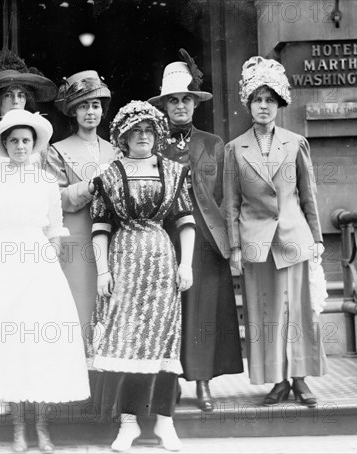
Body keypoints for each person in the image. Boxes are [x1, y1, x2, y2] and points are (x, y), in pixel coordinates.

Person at [0, 109, 90, 453]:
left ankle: (42, 426)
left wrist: (47, 255)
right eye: (13, 140)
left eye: (25, 140)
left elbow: (55, 229)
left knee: (41, 342)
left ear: (34, 145)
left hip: (40, 269)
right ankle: (19, 427)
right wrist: (0, 250)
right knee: (10, 344)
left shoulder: (45, 181)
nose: (19, 146)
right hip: (4, 269)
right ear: (4, 145)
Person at [88, 101, 195, 452]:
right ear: (123, 136)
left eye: (149, 130)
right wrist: (103, 270)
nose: (143, 137)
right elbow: (100, 226)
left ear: (157, 134)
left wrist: (186, 264)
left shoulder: (173, 171)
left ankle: (166, 421)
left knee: (163, 338)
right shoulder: (110, 174)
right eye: (136, 131)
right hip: (124, 261)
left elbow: (184, 221)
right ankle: (128, 424)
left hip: (162, 260)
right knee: (125, 340)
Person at [223, 56, 327, 407]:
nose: (263, 106)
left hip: (293, 238)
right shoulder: (234, 149)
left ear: (279, 103)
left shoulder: (295, 143)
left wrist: (317, 239)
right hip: (256, 242)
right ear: (248, 105)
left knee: (297, 310)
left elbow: (308, 195)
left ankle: (300, 380)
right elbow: (232, 203)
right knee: (265, 314)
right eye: (257, 99)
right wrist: (235, 246)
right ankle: (278, 381)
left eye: (270, 100)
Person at [148, 50, 243, 412]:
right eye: (173, 100)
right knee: (167, 312)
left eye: (186, 99)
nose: (180, 106)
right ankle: (167, 387)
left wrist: (232, 244)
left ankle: (203, 383)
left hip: (205, 239)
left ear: (194, 103)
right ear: (165, 106)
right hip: (165, 238)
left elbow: (227, 196)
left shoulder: (213, 144)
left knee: (203, 313)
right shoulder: (153, 143)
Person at [0, 51, 57, 338]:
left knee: (32, 309)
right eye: (8, 95)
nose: (16, 101)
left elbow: (46, 188)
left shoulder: (37, 142)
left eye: (20, 95)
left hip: (30, 235)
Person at [44, 70, 116, 345]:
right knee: (79, 308)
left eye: (95, 105)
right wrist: (90, 186)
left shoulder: (116, 150)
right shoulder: (57, 151)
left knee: (109, 311)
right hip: (77, 238)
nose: (90, 112)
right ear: (73, 112)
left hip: (111, 239)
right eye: (83, 106)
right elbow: (55, 198)